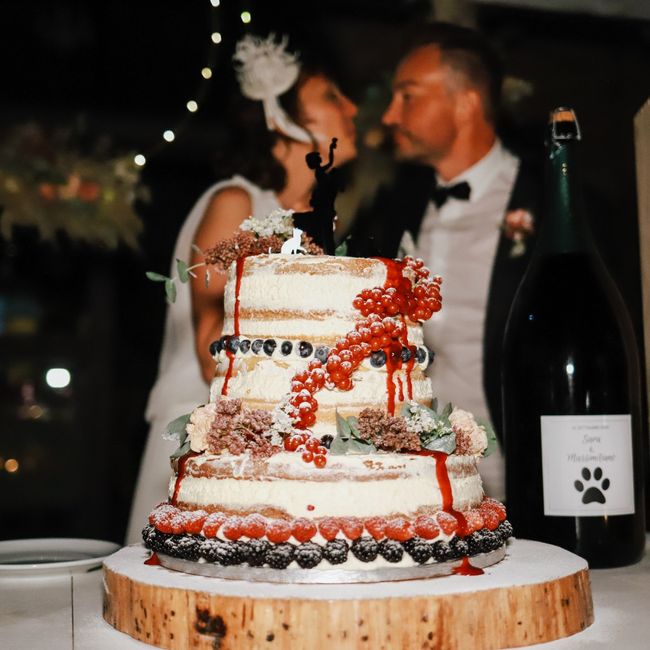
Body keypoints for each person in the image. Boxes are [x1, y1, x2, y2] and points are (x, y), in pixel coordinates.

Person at [125, 34, 357, 543]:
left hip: (275, 446)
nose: (352, 108)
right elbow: (212, 350)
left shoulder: (315, 225)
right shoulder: (236, 202)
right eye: (331, 96)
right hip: (201, 447)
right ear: (281, 118)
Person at [349, 23, 542, 499]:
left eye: (407, 96)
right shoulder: (394, 207)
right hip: (418, 484)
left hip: (521, 475)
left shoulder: (549, 201)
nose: (390, 115)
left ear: (466, 103)